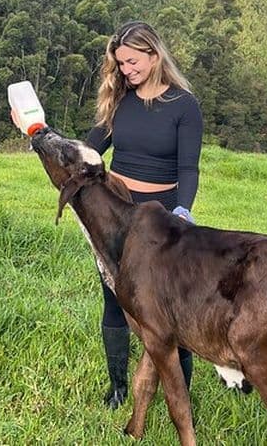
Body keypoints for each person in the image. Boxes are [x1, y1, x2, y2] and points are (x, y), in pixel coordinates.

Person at [85, 20, 203, 409]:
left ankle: (180, 395)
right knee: (114, 298)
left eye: (133, 62)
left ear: (155, 56)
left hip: (161, 220)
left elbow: (188, 168)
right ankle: (118, 388)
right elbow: (88, 152)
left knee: (171, 310)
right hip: (116, 217)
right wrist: (41, 135)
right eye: (120, 64)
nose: (126, 70)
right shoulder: (119, 101)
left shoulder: (184, 106)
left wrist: (183, 211)